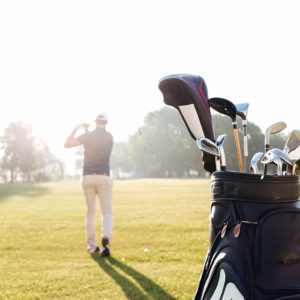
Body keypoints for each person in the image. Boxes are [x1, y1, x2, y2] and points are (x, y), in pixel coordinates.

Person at [64, 113, 113, 256]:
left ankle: (92, 246)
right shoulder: (109, 137)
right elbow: (96, 143)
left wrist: (76, 129)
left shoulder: (88, 136)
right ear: (106, 123)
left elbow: (67, 144)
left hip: (88, 177)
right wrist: (87, 132)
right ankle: (106, 243)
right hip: (104, 177)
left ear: (95, 121)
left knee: (91, 213)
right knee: (107, 212)